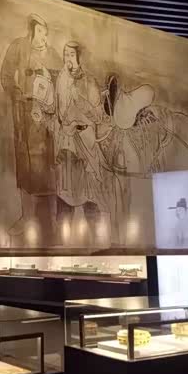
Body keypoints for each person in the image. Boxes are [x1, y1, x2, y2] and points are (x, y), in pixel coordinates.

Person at [0, 14, 62, 238]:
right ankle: (26, 217)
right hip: (25, 115)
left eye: (46, 33)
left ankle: (53, 220)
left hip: (46, 117)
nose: (44, 37)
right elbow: (6, 74)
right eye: (40, 32)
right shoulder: (18, 46)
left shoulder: (53, 54)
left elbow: (61, 82)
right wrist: (17, 93)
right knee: (25, 166)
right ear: (31, 31)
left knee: (50, 167)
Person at [51, 41, 110, 244]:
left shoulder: (89, 81)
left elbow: (98, 115)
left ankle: (97, 242)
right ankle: (62, 243)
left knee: (88, 196)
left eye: (71, 55)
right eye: (65, 54)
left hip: (85, 142)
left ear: (79, 57)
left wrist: (81, 102)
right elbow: (58, 112)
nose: (67, 58)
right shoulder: (61, 79)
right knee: (64, 195)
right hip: (66, 143)